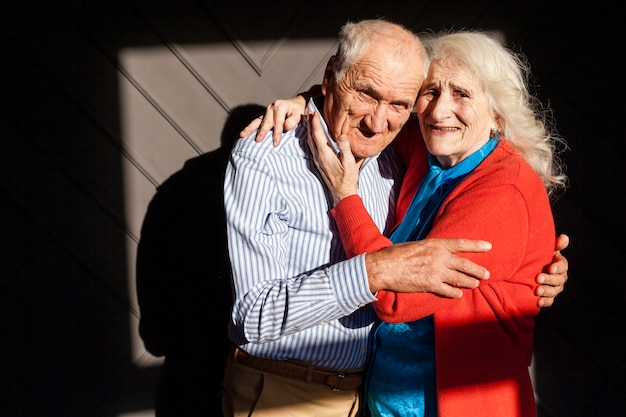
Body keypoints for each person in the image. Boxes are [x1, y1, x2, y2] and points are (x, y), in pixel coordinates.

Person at [223, 19, 568, 417]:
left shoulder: (499, 188)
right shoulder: (421, 149)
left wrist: (346, 196)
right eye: (430, 92)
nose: (440, 109)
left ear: (497, 114)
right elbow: (364, 98)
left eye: (462, 94)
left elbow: (395, 298)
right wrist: (307, 101)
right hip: (312, 393)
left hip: (453, 405)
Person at [136, 104, 265, 417]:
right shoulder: (274, 192)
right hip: (255, 377)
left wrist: (159, 337)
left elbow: (151, 274)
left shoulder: (175, 191)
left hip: (185, 372)